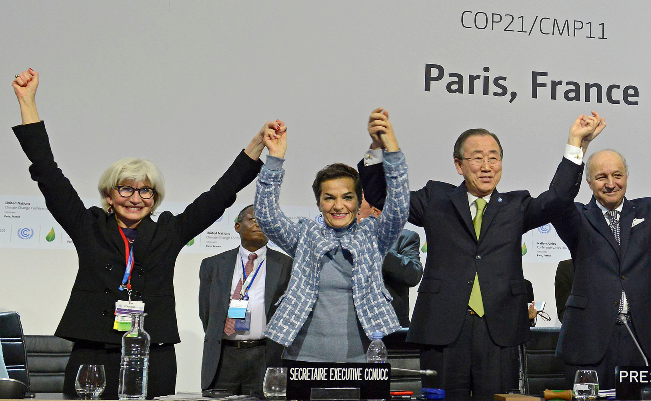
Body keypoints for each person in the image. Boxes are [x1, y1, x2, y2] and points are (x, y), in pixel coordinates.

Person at [10, 68, 274, 398]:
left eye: (146, 191)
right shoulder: (87, 225)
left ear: (155, 199)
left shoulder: (169, 231)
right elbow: (48, 173)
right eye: (126, 189)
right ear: (108, 195)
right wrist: (27, 101)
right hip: (93, 352)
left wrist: (255, 145)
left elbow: (220, 195)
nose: (136, 198)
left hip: (154, 352)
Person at [357, 113, 593, 399]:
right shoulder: (435, 198)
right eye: (477, 158)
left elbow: (557, 199)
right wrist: (376, 148)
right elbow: (383, 197)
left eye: (493, 158)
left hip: (500, 331)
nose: (486, 166)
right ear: (458, 165)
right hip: (442, 329)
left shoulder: (516, 205)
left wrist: (576, 144)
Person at [552, 116, 651, 389]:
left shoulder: (649, 211)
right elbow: (556, 199)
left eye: (617, 175)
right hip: (591, 340)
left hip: (645, 335)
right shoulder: (576, 218)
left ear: (627, 177)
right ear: (588, 182)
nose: (610, 183)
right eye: (601, 177)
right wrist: (576, 146)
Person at [257, 108, 408, 362]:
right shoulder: (306, 234)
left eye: (347, 197)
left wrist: (391, 152)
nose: (338, 206)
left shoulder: (373, 235)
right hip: (303, 360)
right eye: (329, 198)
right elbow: (267, 216)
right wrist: (275, 159)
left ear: (360, 201)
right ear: (319, 203)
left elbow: (400, 207)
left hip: (362, 359)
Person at [198, 205, 293, 396]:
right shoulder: (213, 264)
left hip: (265, 356)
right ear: (237, 226)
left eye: (264, 221)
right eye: (253, 219)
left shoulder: (286, 265)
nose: (259, 224)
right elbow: (206, 312)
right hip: (223, 356)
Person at [357, 195, 423, 327]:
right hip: (348, 329)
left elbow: (413, 276)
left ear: (376, 211)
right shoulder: (340, 241)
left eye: (357, 210)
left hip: (390, 327)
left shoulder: (405, 238)